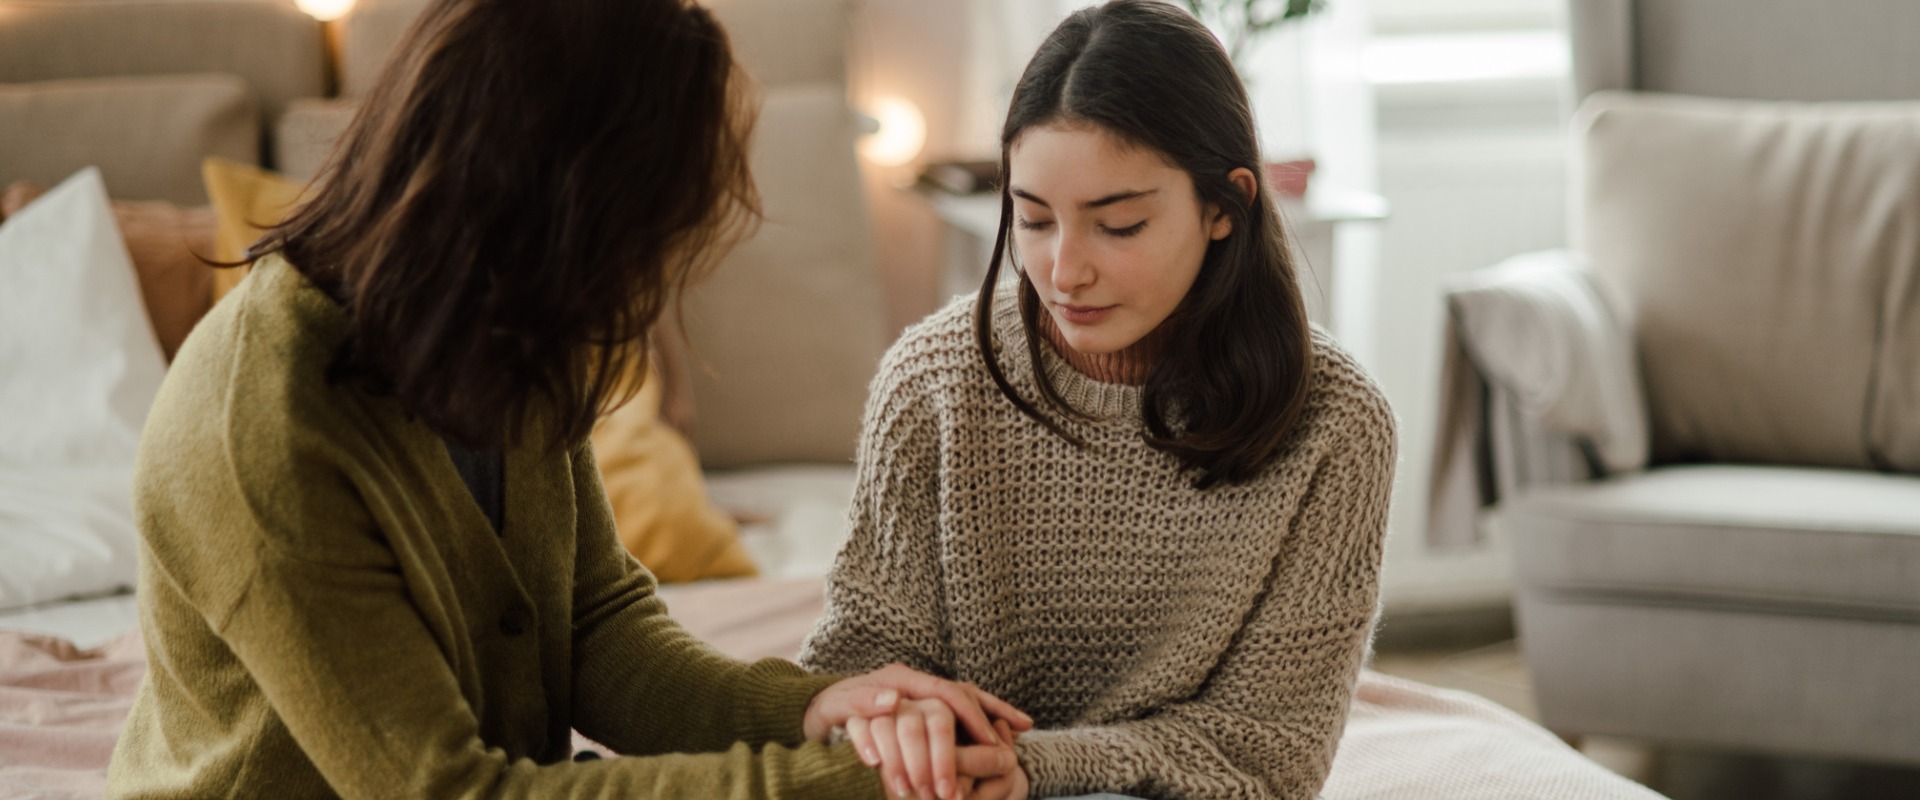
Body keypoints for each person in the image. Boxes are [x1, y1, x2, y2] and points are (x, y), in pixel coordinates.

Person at [103, 0, 1031, 797]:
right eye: (641, 244)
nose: (648, 291)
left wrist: (815, 709)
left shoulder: (500, 336)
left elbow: (597, 632)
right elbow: (451, 790)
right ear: (550, 215)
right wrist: (844, 781)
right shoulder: (262, 427)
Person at [800, 2, 1397, 799]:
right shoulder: (933, 382)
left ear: (1225, 206)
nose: (1064, 271)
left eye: (1118, 225)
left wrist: (1037, 767)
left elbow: (1269, 756)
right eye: (1033, 219)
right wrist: (899, 725)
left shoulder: (1337, 424)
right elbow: (859, 667)